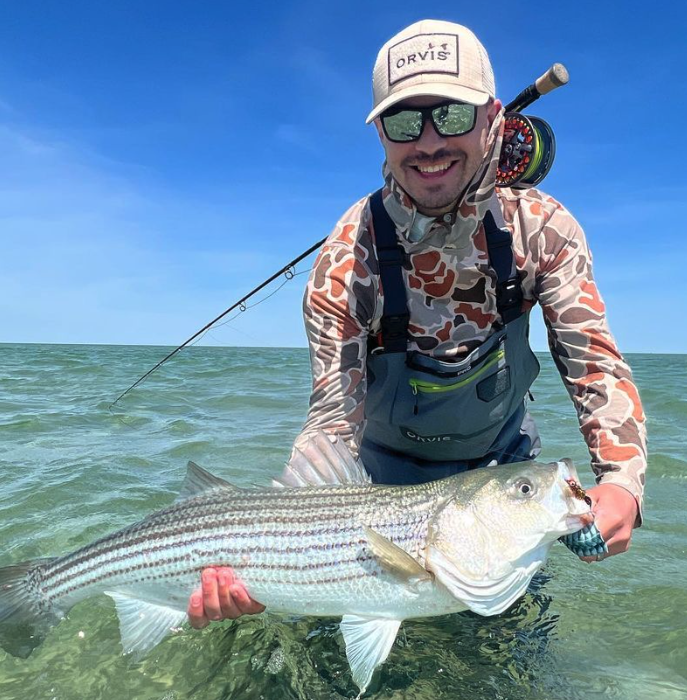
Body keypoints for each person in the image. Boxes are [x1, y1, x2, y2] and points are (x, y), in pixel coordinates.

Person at [187, 18, 647, 628]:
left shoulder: (543, 229)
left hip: (500, 466)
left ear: (492, 118)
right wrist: (278, 556)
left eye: (451, 115)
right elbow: (332, 422)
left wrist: (622, 482)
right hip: (379, 492)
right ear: (381, 134)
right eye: (405, 122)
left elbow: (593, 365)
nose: (429, 142)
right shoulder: (345, 261)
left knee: (509, 653)